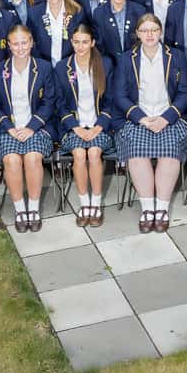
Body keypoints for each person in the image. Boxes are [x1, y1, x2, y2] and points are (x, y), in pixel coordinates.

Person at [113, 14, 187, 234]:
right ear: (137, 33)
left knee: (169, 151)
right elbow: (119, 96)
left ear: (160, 32)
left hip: (170, 118)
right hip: (138, 119)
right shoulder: (126, 59)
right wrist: (141, 118)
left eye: (154, 30)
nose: (149, 34)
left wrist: (166, 118)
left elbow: (185, 93)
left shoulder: (176, 56)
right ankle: (148, 209)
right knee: (137, 151)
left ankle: (162, 209)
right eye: (144, 30)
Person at [0, 26, 57, 233]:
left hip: (37, 127)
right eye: (15, 43)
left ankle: (33, 209)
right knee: (12, 159)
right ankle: (19, 210)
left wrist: (32, 126)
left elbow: (50, 101)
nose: (20, 47)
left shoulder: (43, 67)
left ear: (32, 42)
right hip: (8, 129)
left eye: (24, 42)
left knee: (33, 157)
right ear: (9, 45)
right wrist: (9, 127)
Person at [56, 24, 115, 228]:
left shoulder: (104, 64)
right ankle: (84, 204)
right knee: (79, 154)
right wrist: (76, 127)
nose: (80, 46)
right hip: (74, 127)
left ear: (92, 43)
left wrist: (99, 126)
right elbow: (59, 104)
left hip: (100, 125)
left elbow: (111, 101)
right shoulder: (63, 67)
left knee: (94, 153)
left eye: (84, 42)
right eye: (76, 42)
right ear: (71, 42)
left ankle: (96, 204)